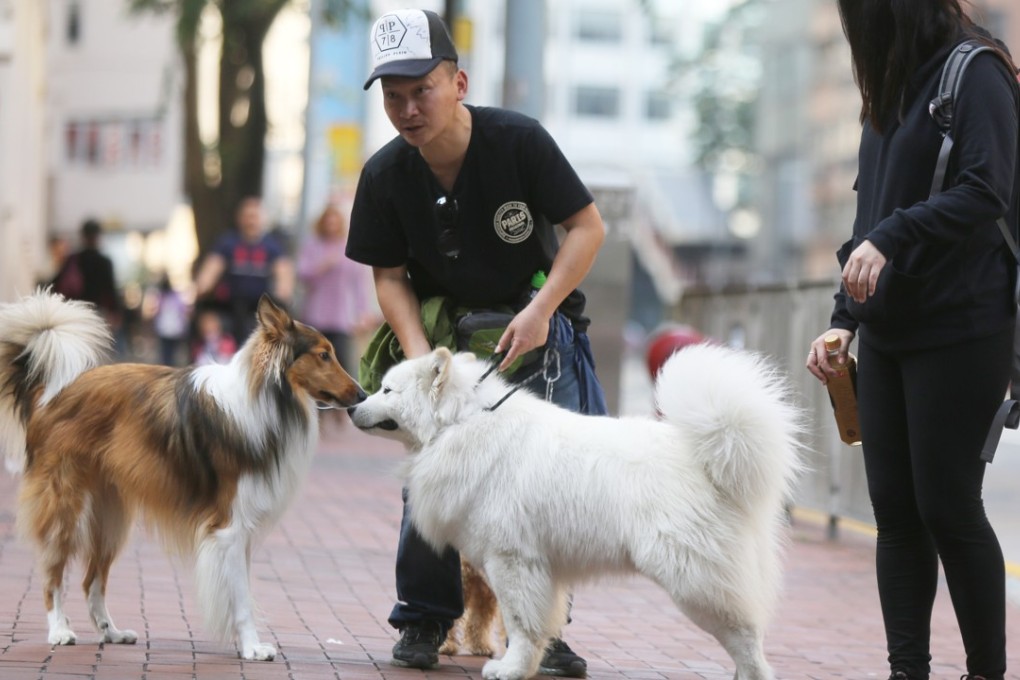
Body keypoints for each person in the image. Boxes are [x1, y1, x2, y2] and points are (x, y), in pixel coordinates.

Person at [346, 8, 608, 677]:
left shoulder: (519, 142)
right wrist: (415, 360)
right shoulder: (384, 176)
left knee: (554, 484)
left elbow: (586, 228)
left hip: (538, 327)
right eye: (393, 96)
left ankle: (542, 635)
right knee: (431, 478)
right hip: (447, 352)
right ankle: (424, 620)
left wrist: (545, 308)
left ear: (458, 82)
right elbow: (389, 275)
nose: (407, 109)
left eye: (421, 90)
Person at [807, 3, 1019, 679]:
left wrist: (892, 236)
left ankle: (986, 672)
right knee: (896, 514)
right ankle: (908, 672)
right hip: (890, 331)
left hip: (964, 323)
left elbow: (987, 188)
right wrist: (843, 318)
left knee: (948, 505)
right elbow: (871, 213)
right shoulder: (892, 90)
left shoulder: (976, 71)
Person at [193, 196, 294, 342]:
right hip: (228, 306)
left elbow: (283, 274)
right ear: (239, 218)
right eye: (247, 216)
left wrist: (283, 292)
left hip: (260, 308)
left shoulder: (273, 246)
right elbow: (211, 270)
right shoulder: (227, 243)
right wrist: (201, 286)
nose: (251, 221)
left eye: (255, 216)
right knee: (209, 323)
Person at [296, 204, 378, 370]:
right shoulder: (313, 246)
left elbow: (359, 284)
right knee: (314, 364)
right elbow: (302, 274)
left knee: (341, 364)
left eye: (335, 222)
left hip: (342, 317)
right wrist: (323, 265)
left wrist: (363, 312)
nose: (331, 226)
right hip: (316, 315)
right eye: (328, 222)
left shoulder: (348, 247)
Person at [52, 218, 123, 340]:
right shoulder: (104, 262)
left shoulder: (73, 259)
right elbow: (110, 290)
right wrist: (115, 312)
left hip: (72, 311)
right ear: (98, 236)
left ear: (83, 236)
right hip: (95, 313)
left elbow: (56, 284)